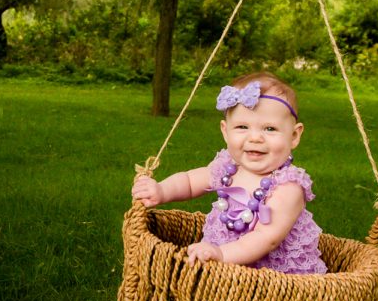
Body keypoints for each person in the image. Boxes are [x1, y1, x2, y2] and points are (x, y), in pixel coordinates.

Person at [132, 71, 327, 274]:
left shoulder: (288, 186)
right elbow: (189, 181)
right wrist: (161, 190)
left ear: (294, 136)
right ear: (225, 132)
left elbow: (266, 238)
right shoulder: (227, 167)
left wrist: (222, 254)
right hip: (220, 264)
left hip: (274, 276)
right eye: (242, 127)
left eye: (270, 129)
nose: (255, 138)